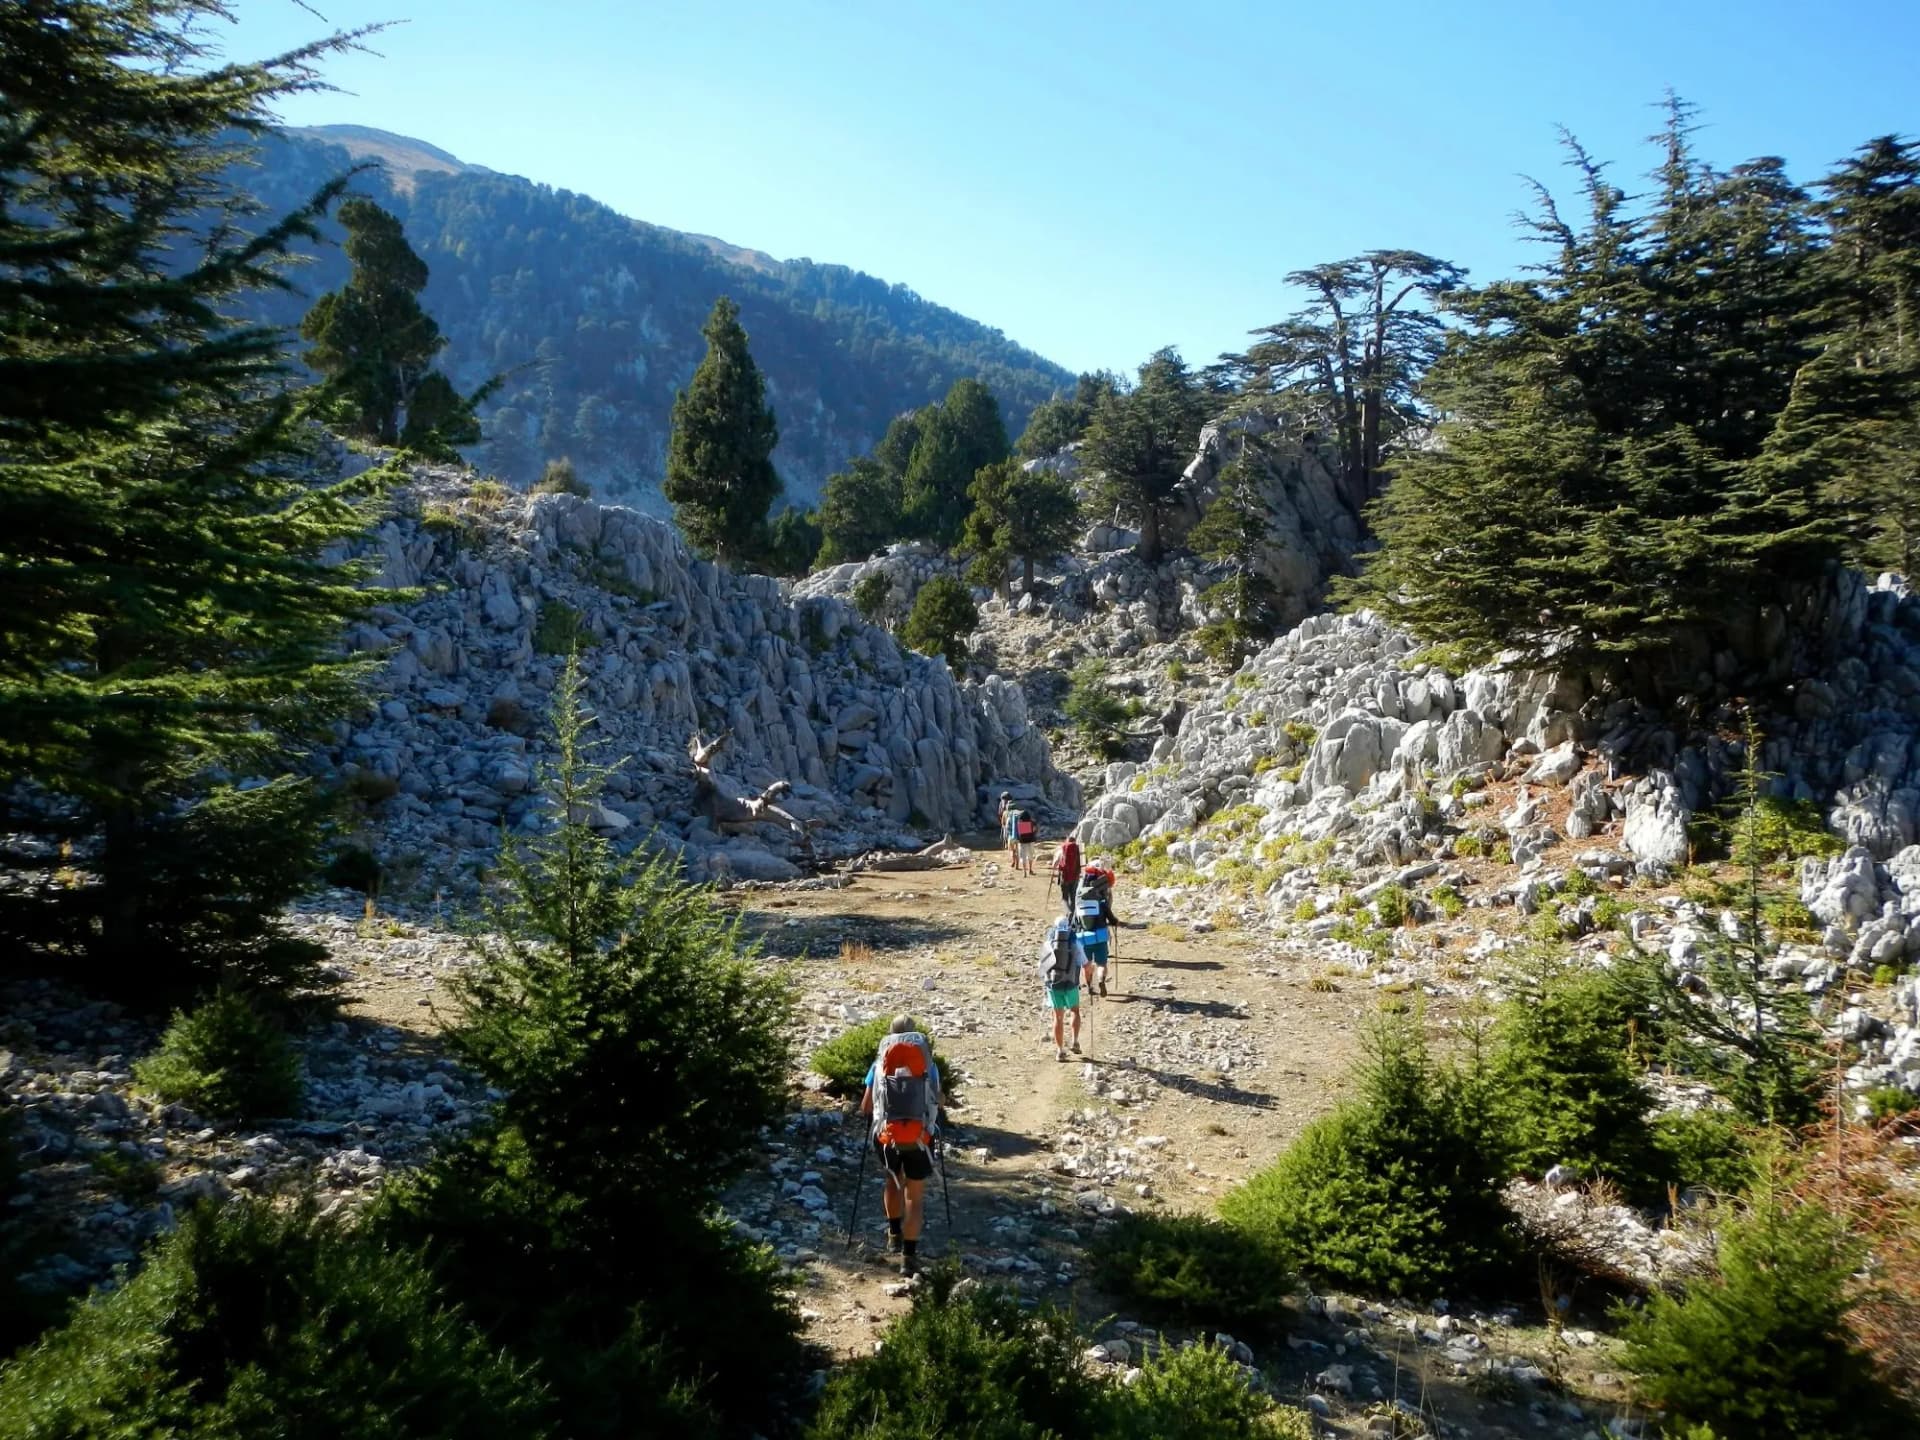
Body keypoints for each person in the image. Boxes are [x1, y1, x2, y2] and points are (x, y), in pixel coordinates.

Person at [860, 1015, 941, 1276]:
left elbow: (866, 1106)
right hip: (920, 1139)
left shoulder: (880, 1064)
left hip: (888, 1138)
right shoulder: (929, 1065)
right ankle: (909, 1257)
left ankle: (893, 1233)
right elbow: (938, 1100)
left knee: (892, 1181)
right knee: (914, 1198)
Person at [1037, 912, 1086, 1061]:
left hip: (1054, 985)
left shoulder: (1048, 943)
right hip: (1071, 983)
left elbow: (1041, 968)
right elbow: (1085, 964)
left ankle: (1060, 1051)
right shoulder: (1075, 942)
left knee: (1057, 1017)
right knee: (1075, 1011)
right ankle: (1075, 1041)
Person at [1052, 833, 1082, 910]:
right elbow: (1081, 864)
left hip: (1064, 876)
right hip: (1075, 876)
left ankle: (1066, 913)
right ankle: (1073, 913)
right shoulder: (1077, 849)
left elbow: (1054, 864)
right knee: (1073, 895)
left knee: (1065, 896)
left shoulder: (1062, 849)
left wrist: (1054, 870)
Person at [1010, 805, 1038, 877]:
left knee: (1023, 857)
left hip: (1022, 842)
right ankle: (1030, 870)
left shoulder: (1020, 823)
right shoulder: (1033, 822)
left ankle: (1025, 872)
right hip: (1031, 841)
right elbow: (1035, 831)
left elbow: (1018, 834)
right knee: (1030, 856)